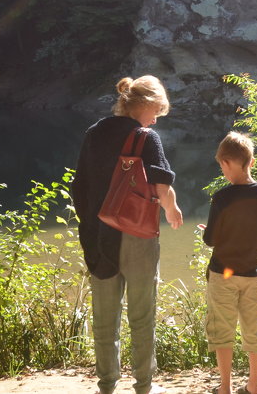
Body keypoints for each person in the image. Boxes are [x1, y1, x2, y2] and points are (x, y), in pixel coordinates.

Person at [73, 75, 184, 394]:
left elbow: (79, 186)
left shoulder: (94, 132)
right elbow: (162, 186)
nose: (156, 118)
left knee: (105, 318)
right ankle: (143, 387)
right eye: (157, 111)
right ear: (145, 104)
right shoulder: (145, 137)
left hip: (98, 234)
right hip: (136, 236)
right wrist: (172, 209)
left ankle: (107, 385)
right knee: (141, 315)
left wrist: (90, 223)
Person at [200, 131, 257, 394]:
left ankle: (225, 388)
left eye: (223, 165)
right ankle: (254, 385)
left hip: (223, 273)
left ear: (225, 163)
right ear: (251, 162)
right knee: (254, 329)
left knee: (222, 329)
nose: (223, 170)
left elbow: (210, 239)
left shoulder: (222, 197)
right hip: (252, 274)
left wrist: (212, 229)